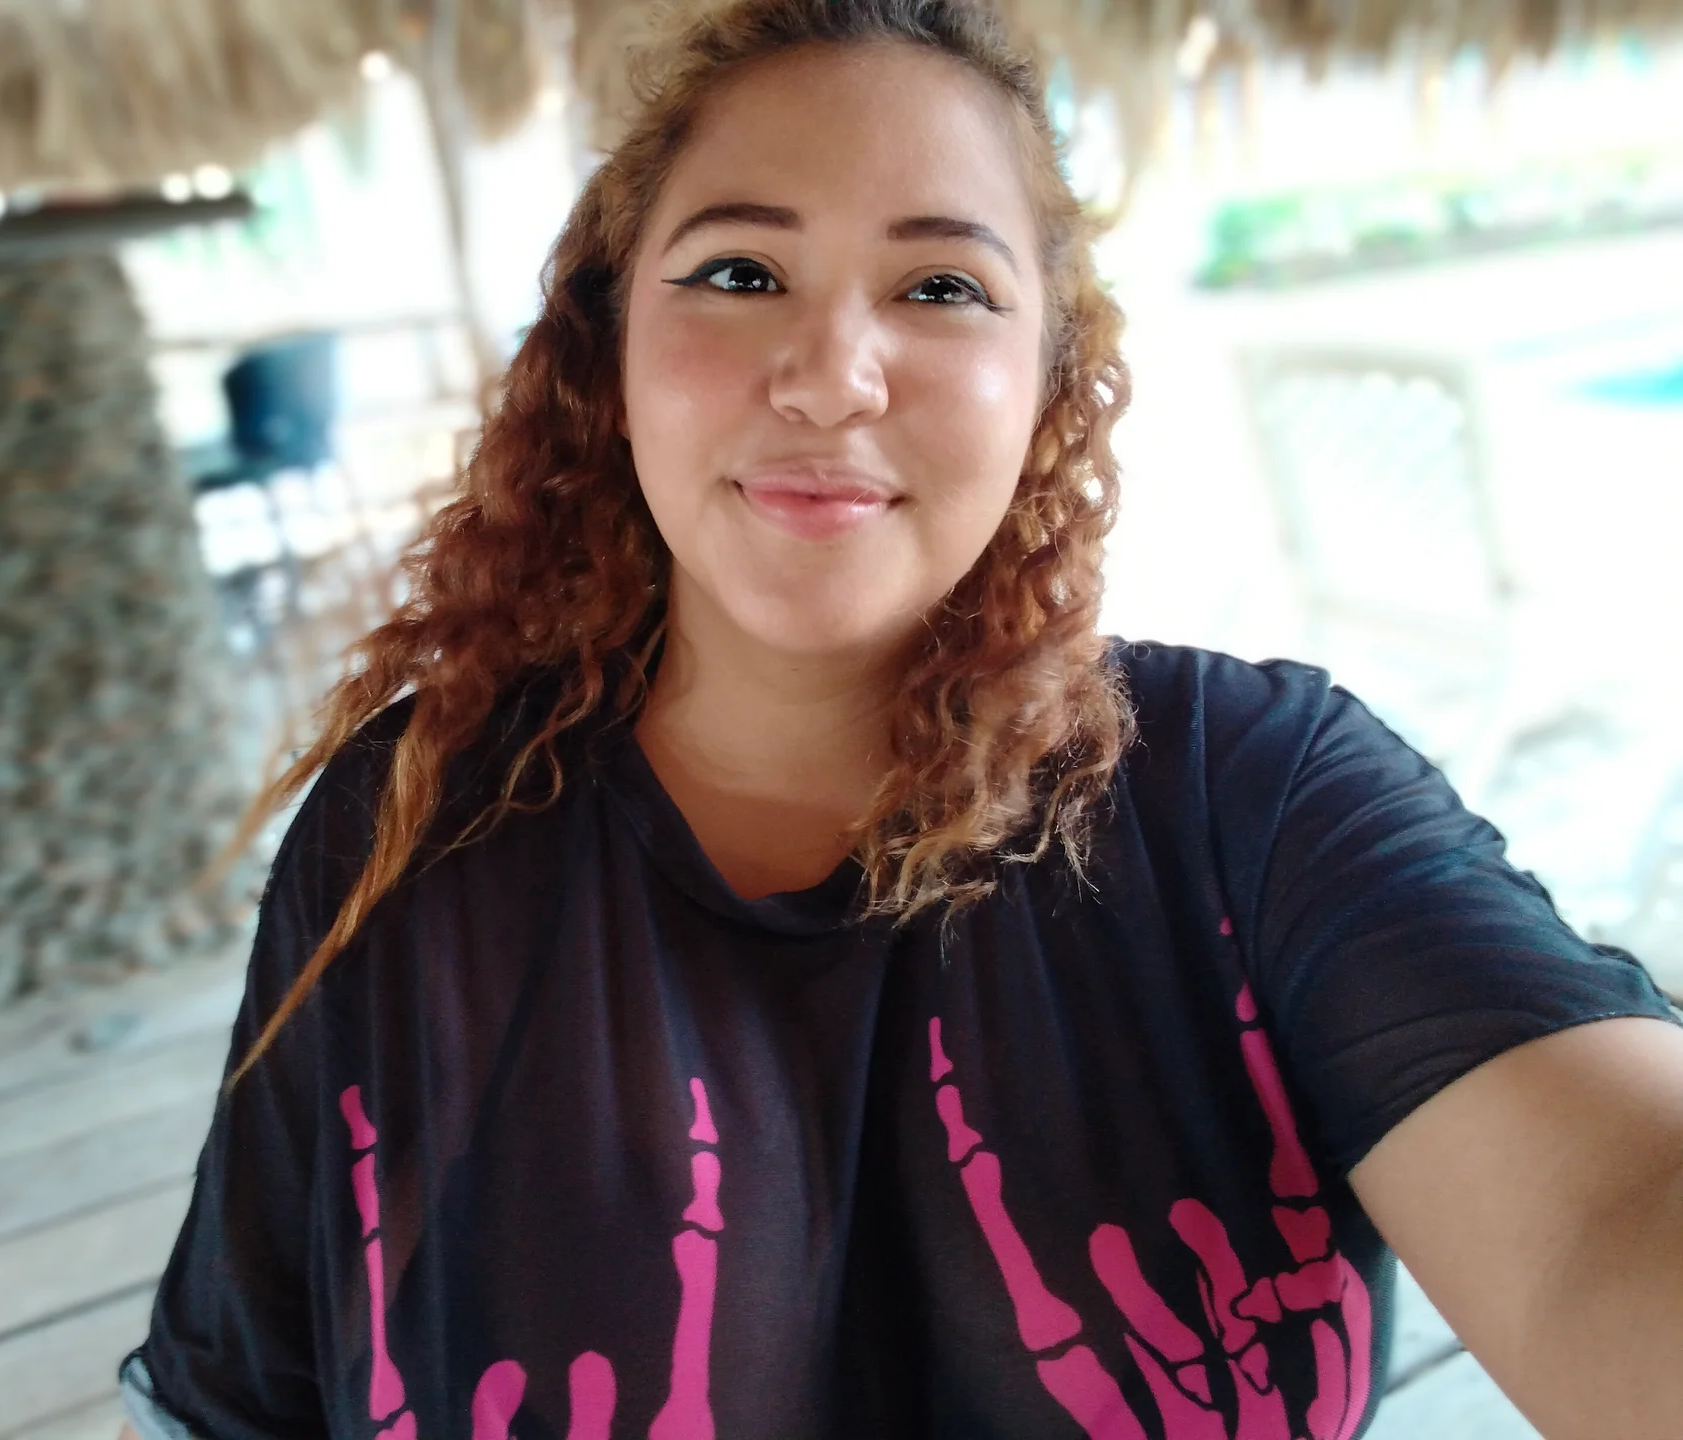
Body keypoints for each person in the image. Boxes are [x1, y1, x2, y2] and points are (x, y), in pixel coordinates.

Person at [116, 2, 1683, 1437]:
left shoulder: (1257, 797)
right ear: (609, 349)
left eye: (941, 287)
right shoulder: (418, 817)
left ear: (1047, 380)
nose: (830, 378)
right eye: (741, 273)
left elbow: (1604, 1227)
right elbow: (233, 1403)